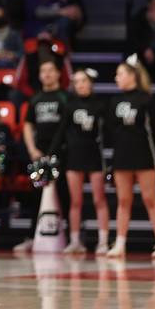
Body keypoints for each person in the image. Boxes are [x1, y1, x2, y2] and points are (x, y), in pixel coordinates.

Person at [106, 57, 155, 258]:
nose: (116, 78)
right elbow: (111, 131)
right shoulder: (114, 101)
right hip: (122, 156)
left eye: (120, 74)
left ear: (132, 76)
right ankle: (120, 244)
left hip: (144, 155)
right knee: (123, 200)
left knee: (150, 198)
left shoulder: (147, 99)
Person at [47, 69, 110, 254]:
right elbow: (60, 132)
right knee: (76, 201)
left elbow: (108, 132)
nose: (80, 85)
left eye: (84, 81)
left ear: (90, 83)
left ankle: (103, 241)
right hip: (74, 156)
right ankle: (74, 241)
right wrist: (51, 152)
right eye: (77, 82)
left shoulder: (100, 105)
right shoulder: (70, 106)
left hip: (94, 155)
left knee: (99, 199)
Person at [15, 60, 68, 253]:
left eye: (50, 70)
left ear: (58, 74)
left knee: (64, 194)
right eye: (42, 71)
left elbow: (66, 126)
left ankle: (69, 237)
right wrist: (32, 149)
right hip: (39, 153)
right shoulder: (35, 99)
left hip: (61, 153)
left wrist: (56, 151)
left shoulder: (64, 97)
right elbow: (28, 125)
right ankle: (32, 236)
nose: (46, 74)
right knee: (36, 194)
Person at [130, 0, 155, 80]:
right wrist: (145, 48)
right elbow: (134, 40)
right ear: (149, 5)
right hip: (142, 56)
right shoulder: (138, 19)